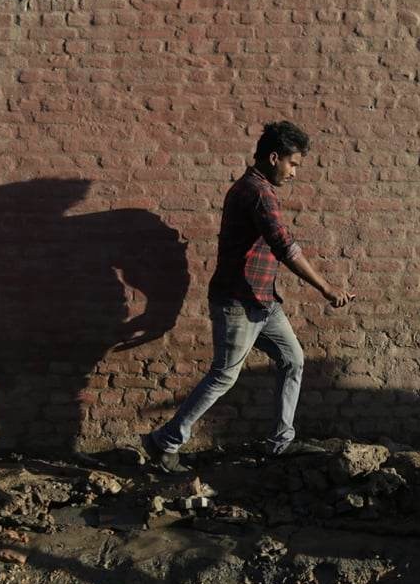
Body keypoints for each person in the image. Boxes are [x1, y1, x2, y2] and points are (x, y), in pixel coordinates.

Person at [143, 121, 353, 472]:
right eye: (293, 164)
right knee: (224, 375)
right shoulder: (257, 192)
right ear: (274, 158)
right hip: (238, 301)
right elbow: (283, 244)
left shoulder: (255, 188)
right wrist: (326, 288)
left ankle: (280, 442)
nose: (295, 173)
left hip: (263, 301)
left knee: (293, 360)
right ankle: (165, 441)